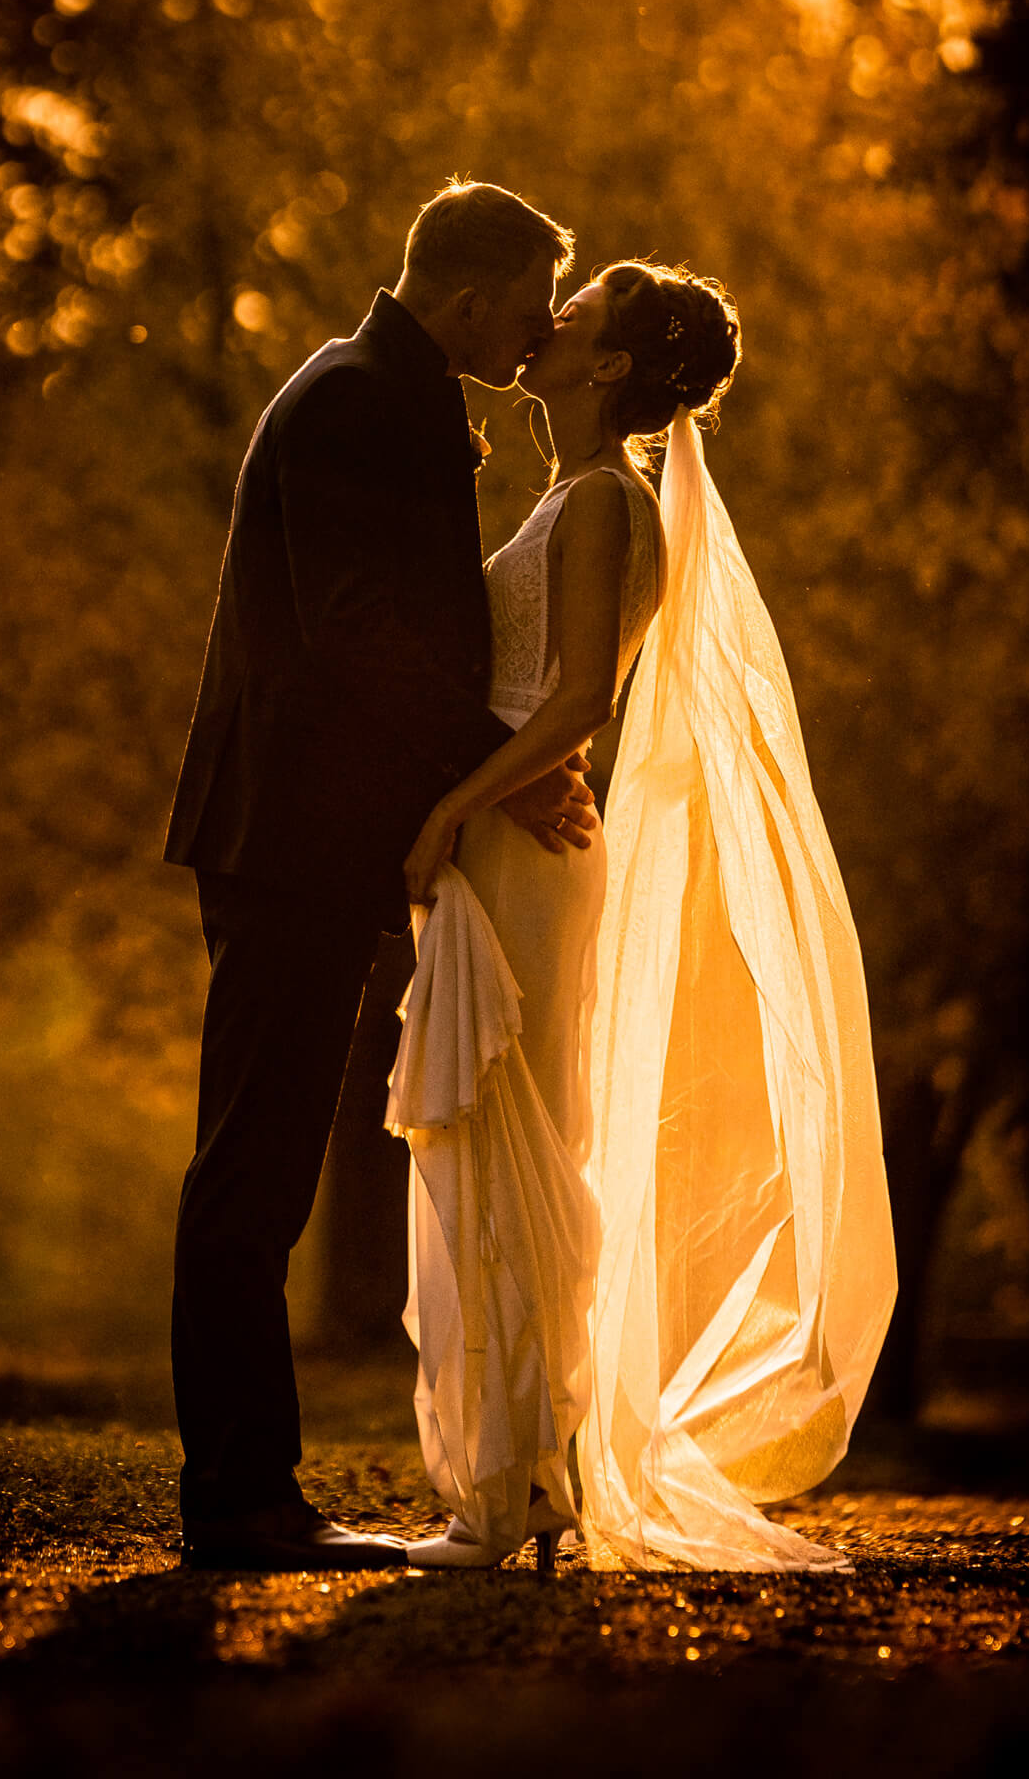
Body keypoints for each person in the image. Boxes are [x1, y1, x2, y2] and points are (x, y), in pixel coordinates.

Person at [394, 260, 896, 1572]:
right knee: (489, 1134)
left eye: (583, 305)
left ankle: (512, 1492)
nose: (547, 312)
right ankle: (518, 1480)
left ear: (610, 365)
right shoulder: (574, 495)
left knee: (517, 1131)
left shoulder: (606, 503)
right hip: (513, 831)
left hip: (521, 844)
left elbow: (573, 710)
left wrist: (454, 805)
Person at [162, 181, 596, 1572]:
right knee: (254, 1163)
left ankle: (246, 1491)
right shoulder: (356, 398)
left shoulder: (380, 390)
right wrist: (505, 760)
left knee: (267, 1158)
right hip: (287, 837)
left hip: (315, 837)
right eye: (530, 309)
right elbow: (355, 630)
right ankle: (237, 1498)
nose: (536, 339)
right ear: (467, 297)